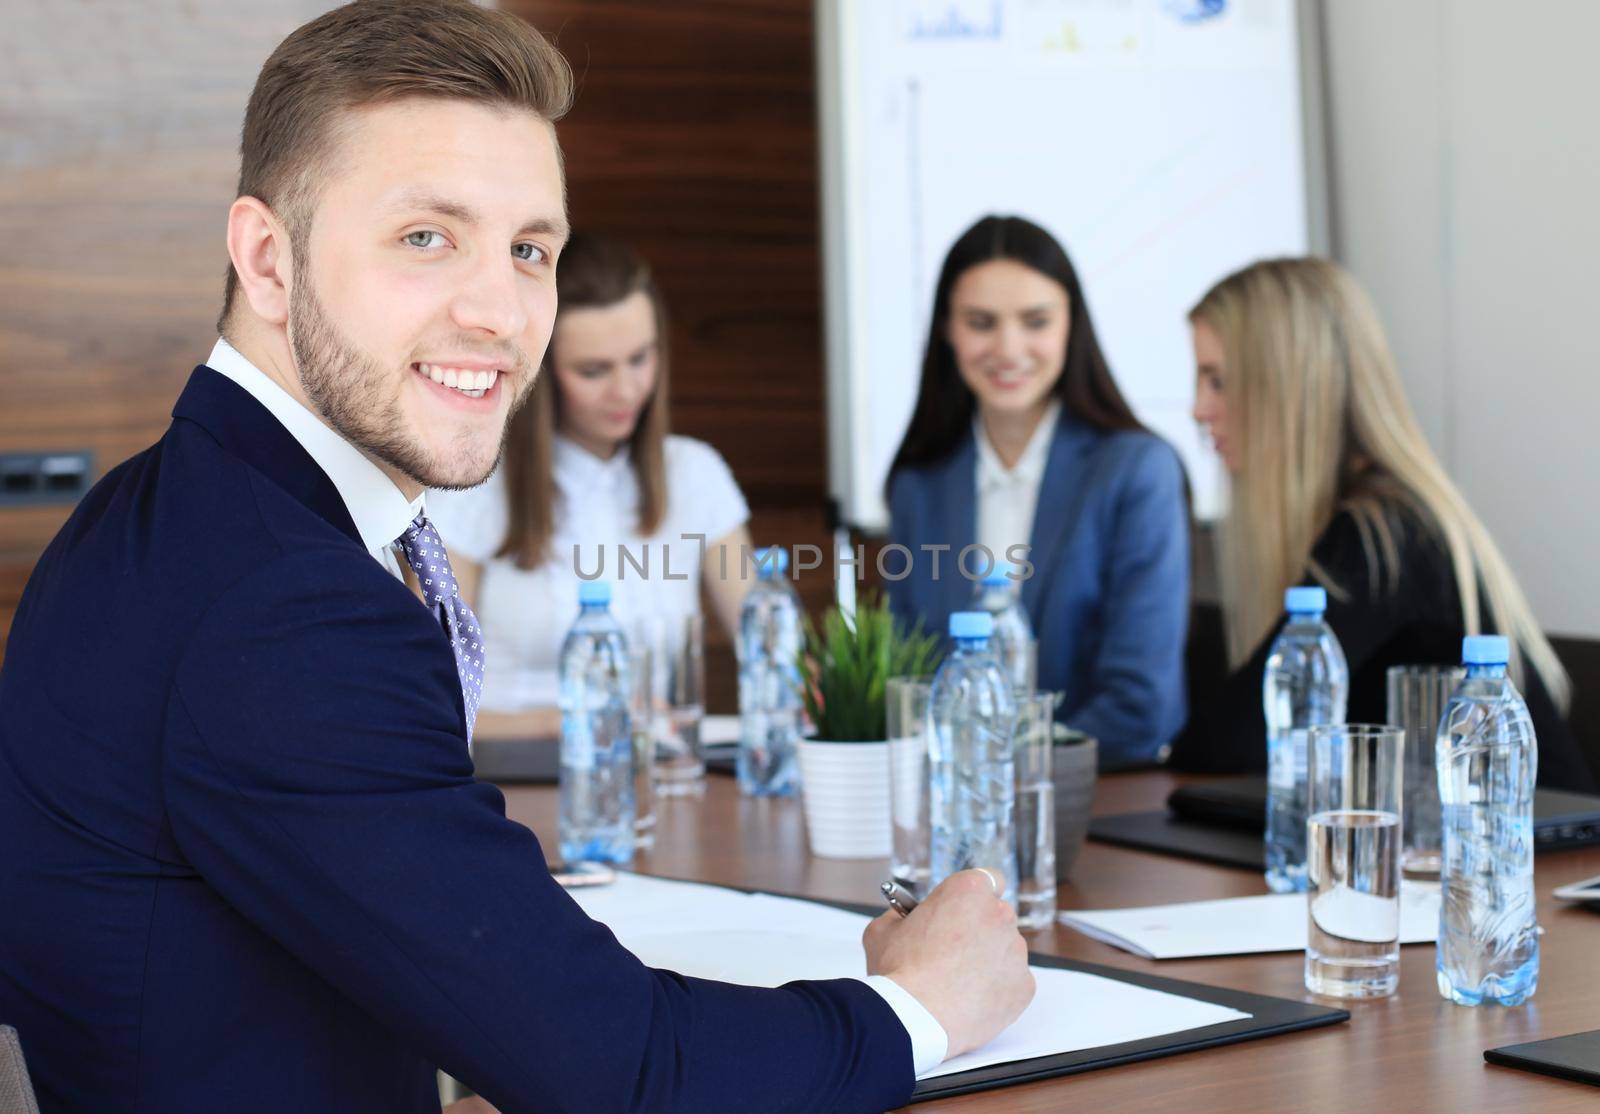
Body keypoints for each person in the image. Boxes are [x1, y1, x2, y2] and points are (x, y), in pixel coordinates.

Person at [0, 4, 1034, 1112]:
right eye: (426, 236)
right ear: (266, 258)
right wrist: (920, 1003)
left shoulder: (173, 513)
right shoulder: (283, 603)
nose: (500, 311)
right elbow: (620, 1073)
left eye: (530, 249)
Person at [1171, 257, 1595, 791]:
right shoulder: (1379, 518)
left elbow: (1229, 739)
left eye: (1219, 381)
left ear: (1290, 386)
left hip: (1529, 863)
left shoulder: (1382, 534)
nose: (1198, 408)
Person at [885, 215, 1190, 767]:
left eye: (1035, 321)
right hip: (951, 815)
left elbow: (1140, 708)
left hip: (1096, 810)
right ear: (947, 331)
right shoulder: (918, 485)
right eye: (981, 322)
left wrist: (996, 771)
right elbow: (906, 686)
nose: (1008, 348)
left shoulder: (1137, 471)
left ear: (1071, 326)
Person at [431, 232, 750, 738]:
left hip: (652, 783)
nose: (626, 390)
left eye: (641, 359)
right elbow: (429, 710)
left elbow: (773, 652)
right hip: (508, 788)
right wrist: (567, 721)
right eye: (594, 370)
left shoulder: (695, 473)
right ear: (544, 371)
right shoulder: (473, 483)